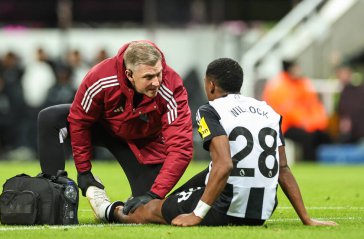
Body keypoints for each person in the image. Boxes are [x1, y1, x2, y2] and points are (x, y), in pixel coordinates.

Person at [86, 58, 337, 227]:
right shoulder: (268, 110)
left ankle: (110, 211)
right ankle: (168, 200)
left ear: (211, 85)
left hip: (226, 208)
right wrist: (306, 218)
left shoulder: (210, 110)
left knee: (151, 209)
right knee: (202, 177)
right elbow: (282, 168)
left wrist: (197, 214)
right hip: (261, 212)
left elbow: (224, 165)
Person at [37, 40, 193, 215]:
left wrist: (154, 193)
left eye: (159, 73)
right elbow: (80, 121)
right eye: (148, 77)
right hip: (104, 127)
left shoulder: (172, 86)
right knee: (50, 118)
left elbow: (181, 148)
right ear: (129, 74)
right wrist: (84, 171)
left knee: (146, 208)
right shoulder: (101, 77)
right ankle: (53, 200)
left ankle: (115, 209)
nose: (156, 82)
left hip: (142, 143)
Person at [262, 60, 331, 161]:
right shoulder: (279, 86)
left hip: (304, 124)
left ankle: (326, 163)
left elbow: (314, 105)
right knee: (307, 138)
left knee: (323, 135)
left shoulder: (302, 83)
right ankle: (309, 163)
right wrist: (306, 122)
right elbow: (289, 111)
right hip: (284, 126)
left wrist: (316, 123)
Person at [335, 65, 364, 143]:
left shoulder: (357, 90)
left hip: (357, 133)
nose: (343, 76)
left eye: (345, 73)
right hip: (350, 133)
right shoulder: (344, 92)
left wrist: (348, 121)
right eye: (341, 74)